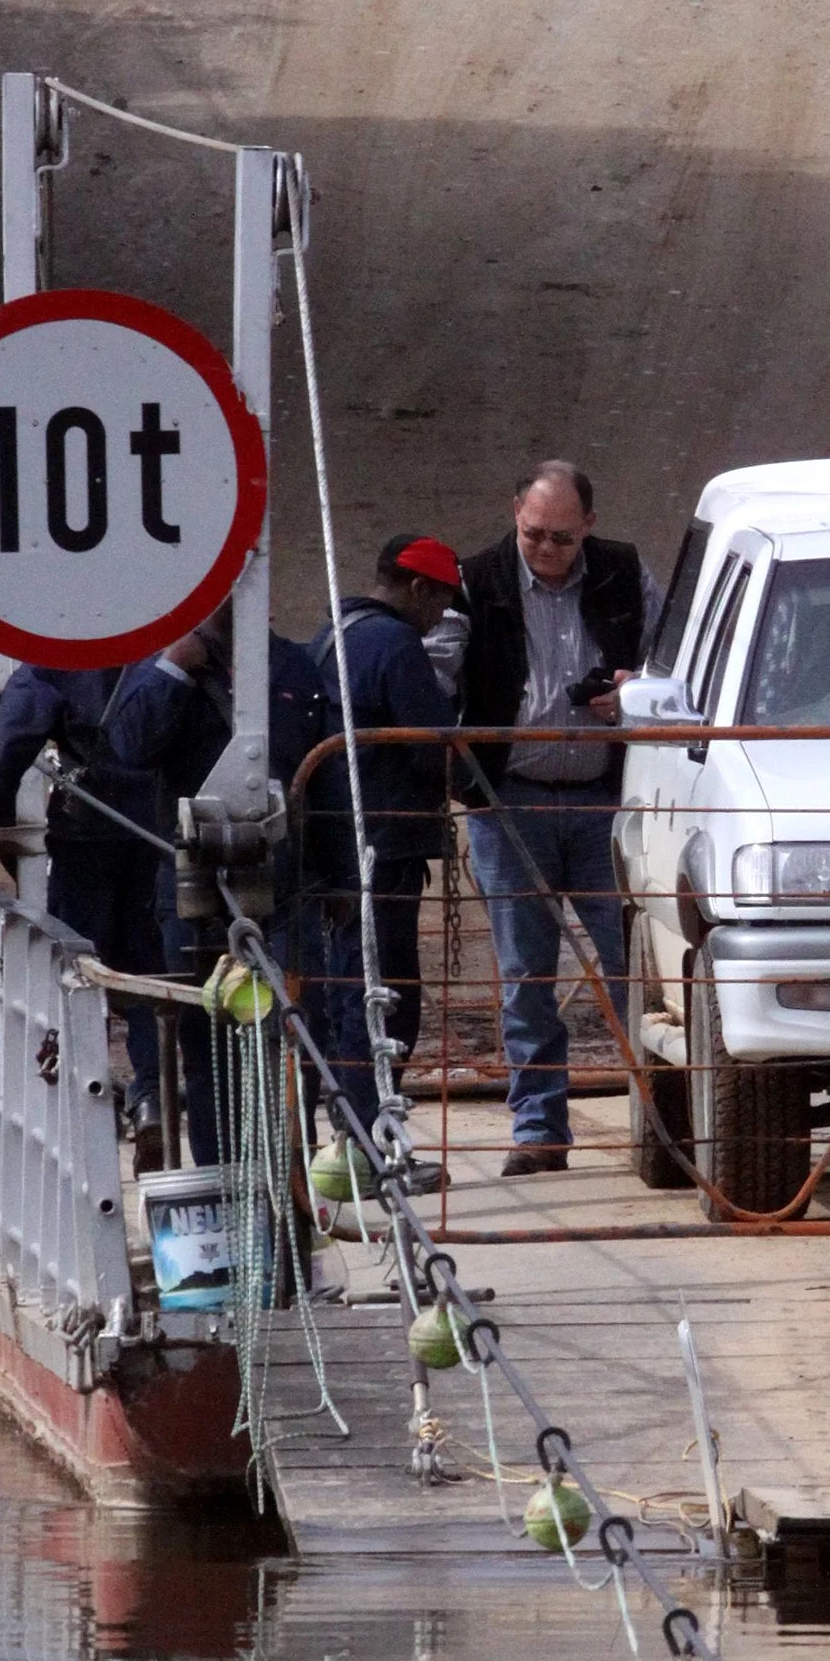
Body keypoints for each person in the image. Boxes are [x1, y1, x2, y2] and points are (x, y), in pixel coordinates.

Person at [458, 461, 662, 1174]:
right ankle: (539, 1131)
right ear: (514, 513)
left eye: (562, 540)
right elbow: (439, 672)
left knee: (639, 964)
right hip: (512, 798)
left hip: (610, 799)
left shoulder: (623, 573)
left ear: (590, 528)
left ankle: (665, 1121)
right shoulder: (474, 580)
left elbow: (676, 659)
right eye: (533, 535)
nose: (546, 552)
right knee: (524, 975)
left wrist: (637, 691)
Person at [0, 662, 166, 1158]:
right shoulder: (171, 647)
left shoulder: (56, 658)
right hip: (165, 832)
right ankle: (152, 1098)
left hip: (87, 834)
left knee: (78, 970)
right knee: (153, 971)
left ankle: (85, 1108)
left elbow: (2, 753)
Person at [104, 616, 327, 1166]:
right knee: (207, 1046)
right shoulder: (162, 661)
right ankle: (217, 1176)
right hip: (190, 889)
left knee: (296, 1032)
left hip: (288, 886)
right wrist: (176, 667)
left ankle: (290, 1177)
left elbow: (326, 777)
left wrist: (342, 875)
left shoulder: (295, 663)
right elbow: (129, 747)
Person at [308, 535, 469, 1171]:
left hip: (334, 845)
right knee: (386, 992)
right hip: (383, 846)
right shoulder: (396, 645)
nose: (439, 619)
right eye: (441, 603)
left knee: (350, 986)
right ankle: (371, 1143)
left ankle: (351, 1137)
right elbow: (432, 746)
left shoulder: (329, 635)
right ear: (420, 589)